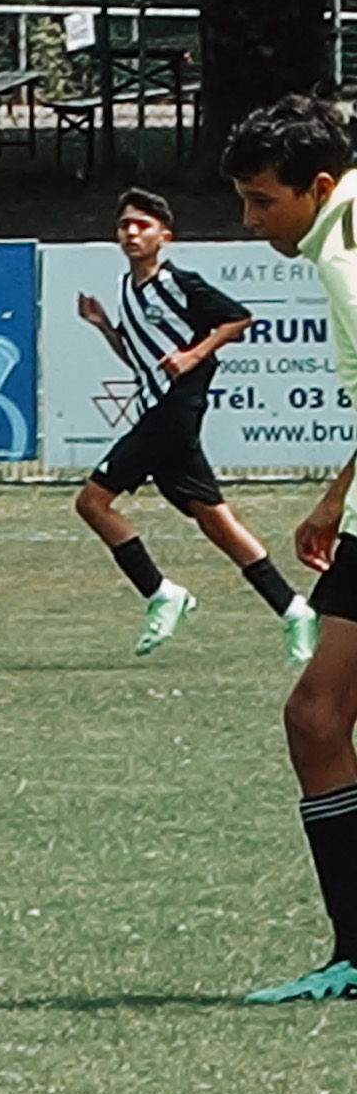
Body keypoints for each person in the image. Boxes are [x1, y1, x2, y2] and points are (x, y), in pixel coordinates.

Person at [221, 96, 357, 1003]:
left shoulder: (347, 263)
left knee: (315, 717)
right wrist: (338, 498)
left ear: (316, 187)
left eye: (262, 201)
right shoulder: (339, 236)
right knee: (316, 719)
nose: (249, 219)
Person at [73, 187, 316, 662]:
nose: (131, 232)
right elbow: (140, 359)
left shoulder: (177, 282)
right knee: (215, 520)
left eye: (142, 225)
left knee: (93, 501)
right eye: (125, 225)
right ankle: (293, 609)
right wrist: (104, 327)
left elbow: (238, 318)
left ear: (165, 235)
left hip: (175, 413)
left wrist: (194, 355)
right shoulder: (127, 289)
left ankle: (162, 592)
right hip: (157, 409)